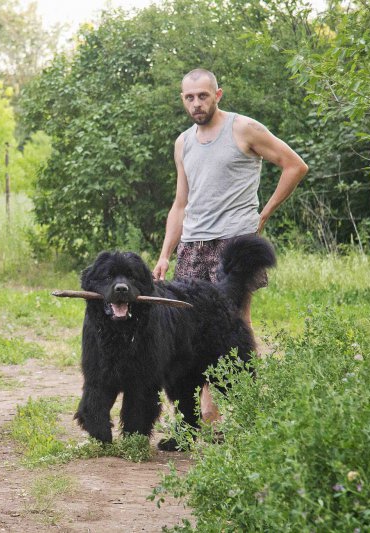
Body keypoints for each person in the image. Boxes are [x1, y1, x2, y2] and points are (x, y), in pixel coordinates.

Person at [152, 68, 308, 426]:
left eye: (203, 96)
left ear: (217, 95)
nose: (196, 103)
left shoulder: (243, 129)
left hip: (233, 243)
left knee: (235, 323)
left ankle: (246, 410)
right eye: (189, 97)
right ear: (182, 100)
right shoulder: (183, 143)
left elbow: (295, 166)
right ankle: (202, 414)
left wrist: (264, 214)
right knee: (189, 326)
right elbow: (180, 204)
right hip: (192, 243)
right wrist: (164, 255)